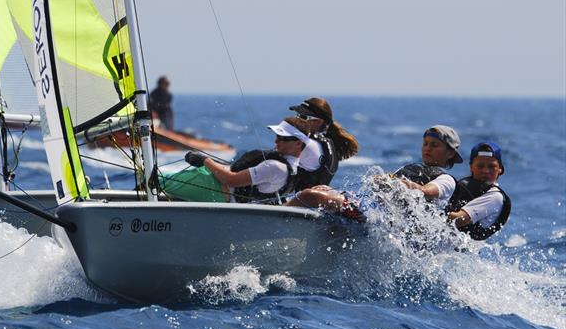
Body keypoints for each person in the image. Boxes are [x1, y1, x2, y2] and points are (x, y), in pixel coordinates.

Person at [287, 125, 463, 218]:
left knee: (312, 196)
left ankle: (277, 214)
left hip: (376, 218)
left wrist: (403, 185)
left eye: (434, 145)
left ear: (450, 153)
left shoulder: (446, 180)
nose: (427, 148)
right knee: (319, 189)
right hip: (369, 207)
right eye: (425, 143)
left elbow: (426, 191)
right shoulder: (412, 168)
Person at [158, 118, 319, 203]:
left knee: (154, 180)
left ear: (299, 143)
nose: (277, 141)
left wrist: (204, 159)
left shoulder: (275, 167)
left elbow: (231, 180)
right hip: (213, 187)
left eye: (283, 138)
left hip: (213, 188)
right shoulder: (294, 169)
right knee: (157, 180)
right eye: (277, 136)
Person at [445, 142, 511, 240]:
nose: (485, 171)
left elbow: (458, 219)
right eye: (480, 166)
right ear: (471, 167)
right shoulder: (464, 187)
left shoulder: (495, 197)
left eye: (491, 166)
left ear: (500, 168)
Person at [288, 97, 359, 188]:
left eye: (302, 117)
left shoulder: (308, 146)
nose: (296, 120)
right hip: (308, 200)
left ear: (318, 122)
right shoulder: (326, 144)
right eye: (297, 115)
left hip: (300, 200)